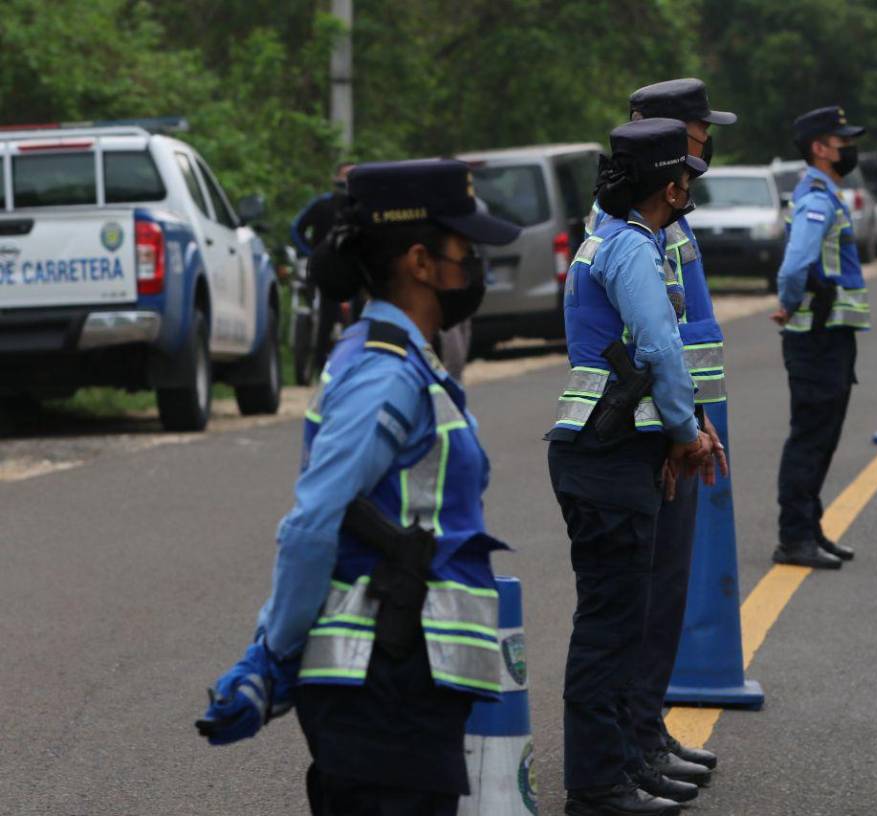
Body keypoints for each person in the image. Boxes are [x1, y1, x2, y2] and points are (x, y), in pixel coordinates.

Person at [196, 159, 522, 816]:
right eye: (465, 250)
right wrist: (273, 654)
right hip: (385, 680)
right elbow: (314, 521)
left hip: (404, 679)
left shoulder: (404, 361)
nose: (475, 266)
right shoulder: (384, 373)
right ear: (421, 262)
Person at [546, 117, 714, 816]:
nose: (688, 189)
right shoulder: (631, 251)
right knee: (611, 629)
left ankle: (619, 768)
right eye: (686, 178)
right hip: (609, 456)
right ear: (671, 187)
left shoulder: (610, 241)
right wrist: (687, 432)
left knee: (618, 621)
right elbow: (662, 350)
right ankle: (597, 786)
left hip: (605, 452)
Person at [583, 78, 731, 797]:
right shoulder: (635, 228)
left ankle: (645, 728)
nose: (705, 143)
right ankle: (630, 743)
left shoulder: (661, 220)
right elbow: (656, 339)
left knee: (664, 588)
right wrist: (684, 425)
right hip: (652, 427)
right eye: (697, 130)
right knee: (638, 594)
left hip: (679, 419)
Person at [770, 105, 872, 570]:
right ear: (819, 148)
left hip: (832, 334)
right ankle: (794, 538)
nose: (849, 148)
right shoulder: (815, 198)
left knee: (824, 437)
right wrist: (790, 303)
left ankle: (810, 529)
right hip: (816, 335)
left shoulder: (827, 195)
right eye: (841, 140)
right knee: (810, 438)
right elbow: (794, 267)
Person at [291, 163, 359, 377]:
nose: (347, 180)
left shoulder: (362, 207)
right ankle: (320, 363)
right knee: (325, 313)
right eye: (344, 175)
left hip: (355, 270)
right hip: (323, 269)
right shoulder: (322, 205)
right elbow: (297, 229)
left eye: (352, 175)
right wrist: (310, 252)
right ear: (335, 179)